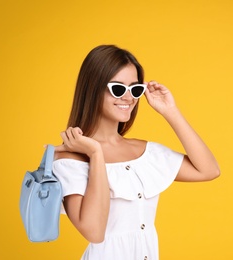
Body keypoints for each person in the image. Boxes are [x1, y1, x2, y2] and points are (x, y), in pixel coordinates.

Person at [52, 44, 220, 260]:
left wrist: (170, 111)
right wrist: (95, 154)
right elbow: (94, 232)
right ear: (93, 89)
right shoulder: (70, 159)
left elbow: (209, 170)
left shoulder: (145, 153)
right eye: (118, 89)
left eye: (135, 89)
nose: (129, 98)